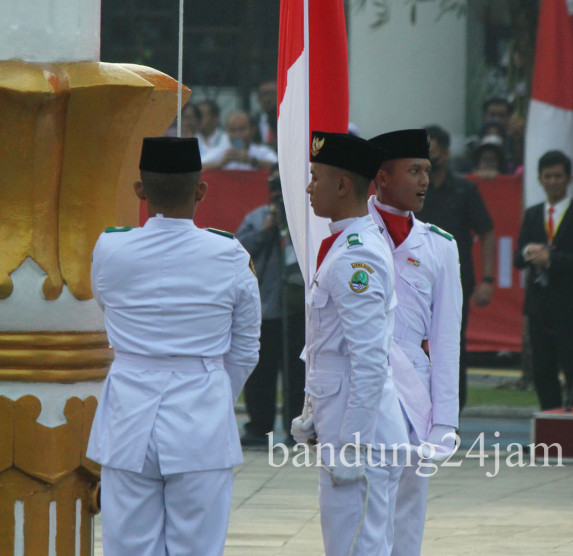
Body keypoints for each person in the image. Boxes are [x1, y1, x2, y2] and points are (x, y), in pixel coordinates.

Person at [86, 137, 262, 556]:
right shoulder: (229, 254)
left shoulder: (110, 248)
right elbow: (246, 349)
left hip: (128, 417)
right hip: (201, 417)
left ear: (140, 190)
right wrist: (216, 390)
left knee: (128, 547)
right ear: (201, 190)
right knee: (198, 548)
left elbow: (103, 303)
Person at [290, 131, 407, 556]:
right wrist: (313, 412)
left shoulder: (357, 256)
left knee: (356, 548)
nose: (307, 187)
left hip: (361, 436)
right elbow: (327, 347)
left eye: (316, 177)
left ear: (343, 185)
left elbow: (369, 360)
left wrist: (352, 443)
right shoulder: (346, 245)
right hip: (346, 425)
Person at [368, 129, 462, 556]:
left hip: (414, 391)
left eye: (426, 170)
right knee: (363, 503)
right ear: (383, 176)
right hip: (363, 383)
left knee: (409, 507)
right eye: (413, 171)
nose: (424, 180)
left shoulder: (440, 246)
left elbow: (445, 340)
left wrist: (445, 420)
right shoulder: (351, 236)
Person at [415, 124, 495, 411]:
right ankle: (417, 405)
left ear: (446, 154)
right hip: (415, 279)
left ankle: (451, 411)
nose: (427, 159)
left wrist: (487, 278)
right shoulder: (412, 189)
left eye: (432, 152)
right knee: (409, 343)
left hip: (455, 282)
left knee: (449, 346)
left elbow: (486, 231)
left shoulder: (465, 189)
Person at [513, 150, 573, 410]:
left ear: (569, 178)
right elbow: (518, 257)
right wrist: (529, 253)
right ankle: (548, 423)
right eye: (547, 176)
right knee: (542, 369)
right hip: (538, 306)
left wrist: (549, 260)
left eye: (557, 176)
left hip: (568, 306)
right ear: (539, 179)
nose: (552, 181)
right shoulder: (533, 214)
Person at [236, 167, 305, 446]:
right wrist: (267, 230)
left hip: (296, 311)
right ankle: (259, 428)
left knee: (296, 374)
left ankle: (296, 428)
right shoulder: (257, 218)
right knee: (260, 374)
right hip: (264, 310)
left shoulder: (304, 221)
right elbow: (239, 251)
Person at [202, 109, 277, 170]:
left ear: (252, 130)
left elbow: (278, 166)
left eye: (242, 129)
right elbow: (197, 168)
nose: (237, 134)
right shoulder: (220, 152)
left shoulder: (262, 151)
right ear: (227, 131)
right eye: (233, 130)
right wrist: (220, 163)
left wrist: (252, 161)